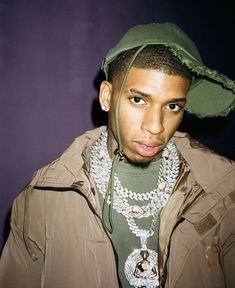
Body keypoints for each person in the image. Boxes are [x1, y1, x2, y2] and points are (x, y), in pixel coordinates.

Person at [0, 23, 234, 288]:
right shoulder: (43, 198)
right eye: (138, 100)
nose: (155, 126)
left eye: (172, 106)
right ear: (107, 96)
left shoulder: (224, 191)